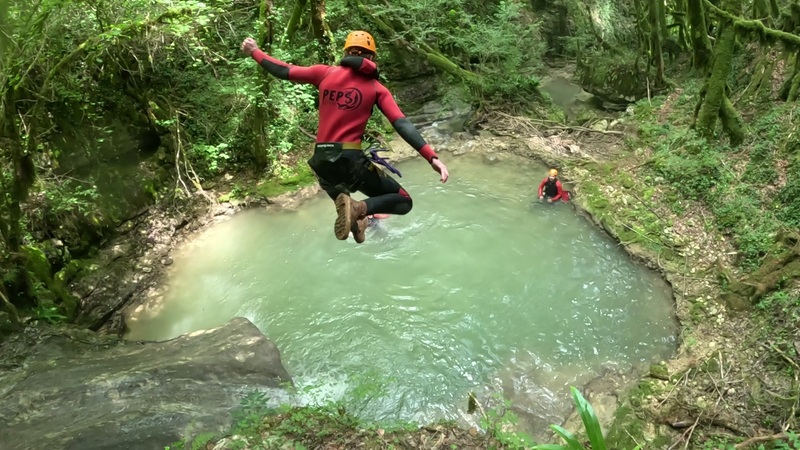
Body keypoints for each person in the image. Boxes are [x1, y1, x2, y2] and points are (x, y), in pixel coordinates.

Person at [240, 31, 449, 244]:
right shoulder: (377, 88)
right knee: (404, 201)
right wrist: (432, 158)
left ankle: (358, 222)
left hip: (320, 162)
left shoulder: (324, 73)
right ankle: (362, 210)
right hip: (350, 161)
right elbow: (402, 124)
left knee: (344, 204)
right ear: (373, 57)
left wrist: (255, 51)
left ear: (347, 52)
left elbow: (284, 70)